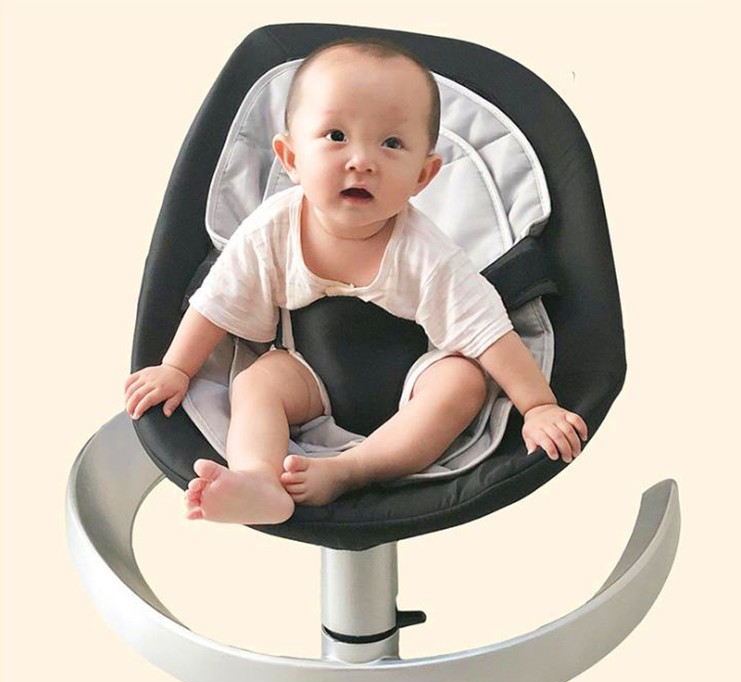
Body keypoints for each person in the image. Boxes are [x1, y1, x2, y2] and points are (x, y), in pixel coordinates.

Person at [124, 37, 588, 525]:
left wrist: (538, 406)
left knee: (463, 381)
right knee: (255, 382)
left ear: (423, 176)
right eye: (336, 136)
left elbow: (489, 331)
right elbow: (216, 302)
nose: (361, 160)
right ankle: (258, 479)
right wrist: (176, 368)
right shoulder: (270, 230)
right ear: (290, 158)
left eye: (392, 144)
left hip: (413, 381)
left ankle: (351, 470)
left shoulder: (428, 254)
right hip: (308, 377)